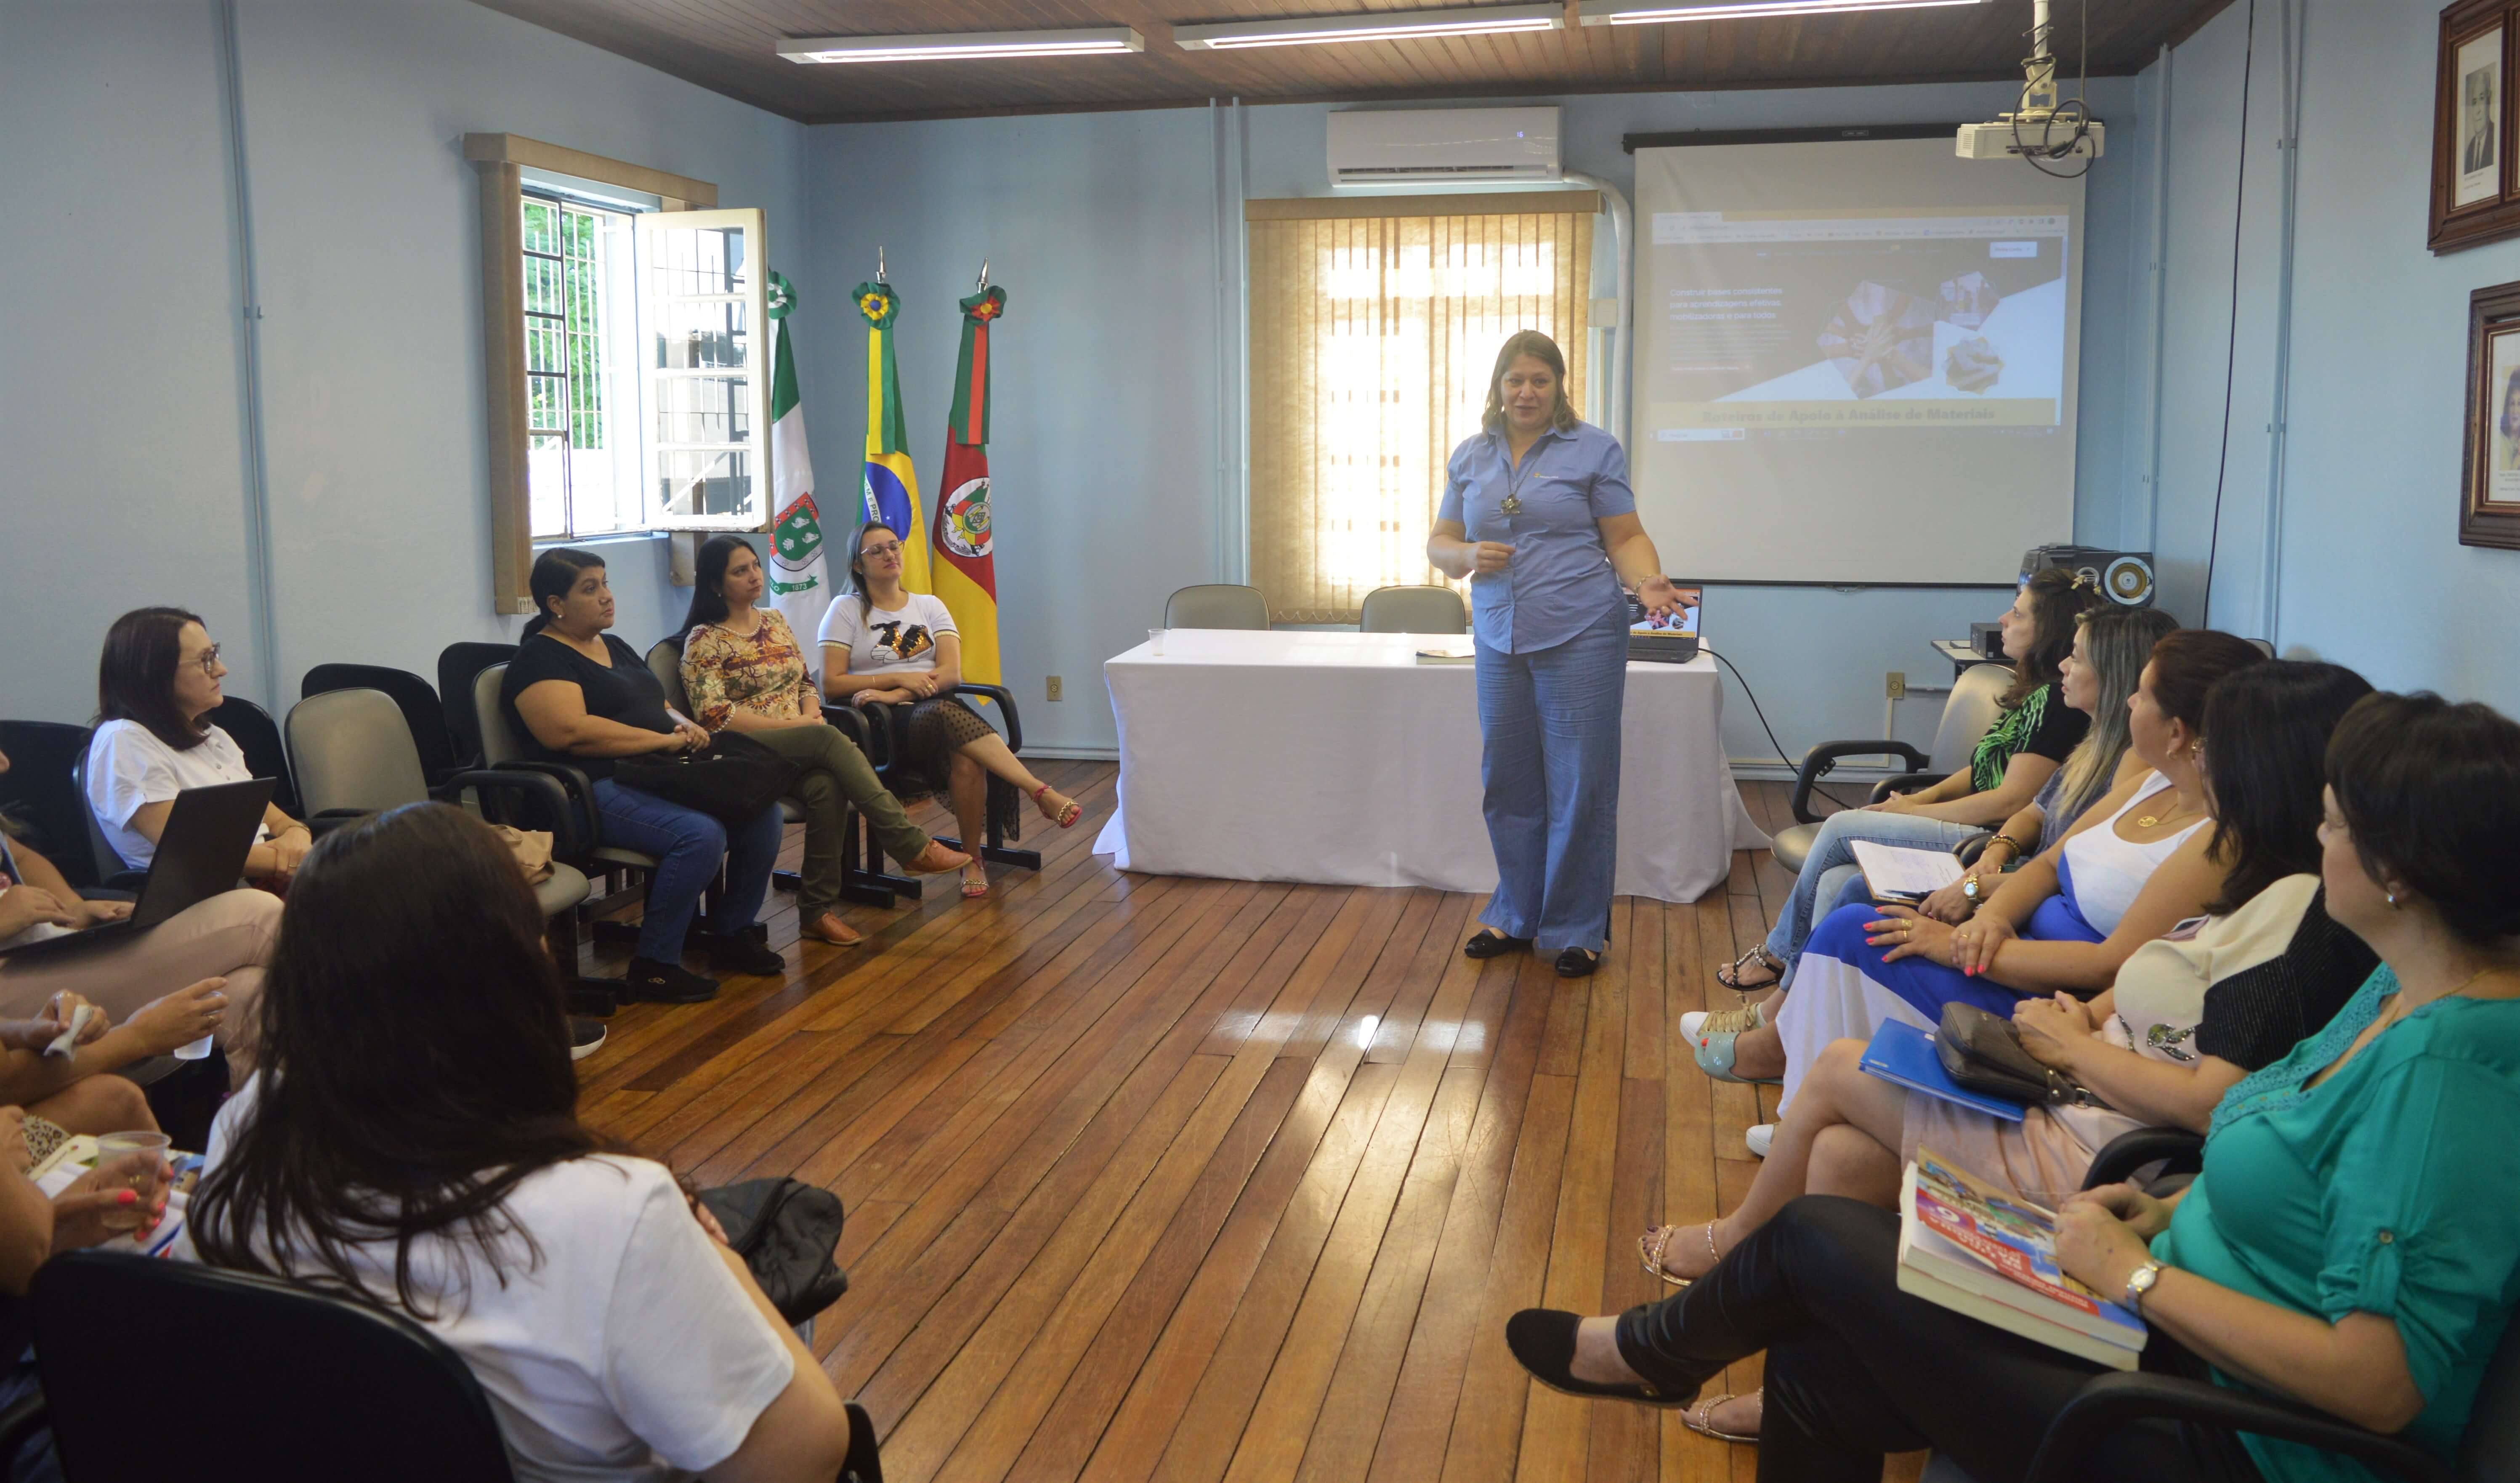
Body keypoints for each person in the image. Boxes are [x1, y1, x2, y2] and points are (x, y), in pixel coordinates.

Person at [1509, 690, 2520, 1483]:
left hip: (2224, 1431)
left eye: (2335, 824)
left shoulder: (2450, 1072)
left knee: (1819, 1236)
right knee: (1825, 1339)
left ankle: (1653, 1350)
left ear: (2397, 869)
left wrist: (2133, 1272)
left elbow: (2380, 1385)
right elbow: (2296, 1164)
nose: (2317, 838)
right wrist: (2158, 1207)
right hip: (2163, 1323)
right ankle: (1658, 1353)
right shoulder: (2396, 988)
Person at [1635, 664, 2380, 1446]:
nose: (2206, 764)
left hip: (2101, 1140)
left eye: (2220, 750)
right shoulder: (2256, 879)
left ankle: (1731, 1258)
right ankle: (1803, 1390)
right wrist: (2075, 1018)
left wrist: (2071, 1041)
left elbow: (2210, 1095)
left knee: (1833, 1069)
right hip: (2077, 1082)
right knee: (1842, 1152)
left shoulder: (2291, 911)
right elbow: (2118, 956)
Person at [182, 803, 875, 1483]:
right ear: (510, 969)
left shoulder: (249, 1128)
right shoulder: (609, 1211)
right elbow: (802, 1453)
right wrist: (715, 1255)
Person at [1715, 630, 2268, 1118]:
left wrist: (1960, 938)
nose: (2129, 701)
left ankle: (1788, 1049)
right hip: (2005, 920)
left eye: (2142, 695)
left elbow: (2109, 961)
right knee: (1857, 903)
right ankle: (1800, 1059)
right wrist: (1986, 902)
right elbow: (2049, 856)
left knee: (1854, 908)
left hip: (2041, 982)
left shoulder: (2211, 838)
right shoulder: (2144, 778)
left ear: (2176, 731)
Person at [1690, 606, 2180, 1065]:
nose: (2064, 664)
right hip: (2004, 888)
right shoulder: (2095, 746)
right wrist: (1994, 853)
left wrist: (1972, 887)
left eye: (2078, 656)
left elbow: (2052, 869)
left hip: (2019, 928)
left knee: (1848, 860)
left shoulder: (2133, 774)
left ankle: (1783, 1022)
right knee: (1847, 884)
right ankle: (1795, 1027)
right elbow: (2032, 814)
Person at [1711, 568, 2111, 997]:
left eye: (2017, 614)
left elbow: (2009, 802)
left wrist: (1916, 813)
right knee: (1836, 883)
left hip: (1984, 843)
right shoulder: (2039, 697)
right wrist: (1928, 794)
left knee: (1841, 827)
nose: (2003, 619)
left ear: (2047, 632)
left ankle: (1779, 965)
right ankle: (1803, 998)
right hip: (1991, 847)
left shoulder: (2058, 705)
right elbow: (1986, 773)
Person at [1425, 330, 1685, 979]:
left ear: (1559, 386)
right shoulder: (1470, 455)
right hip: (1497, 632)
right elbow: (1441, 541)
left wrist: (1647, 581)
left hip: (1582, 630)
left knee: (1580, 784)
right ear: (1498, 386)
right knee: (1507, 781)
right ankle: (1516, 913)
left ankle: (1575, 928)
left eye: (1540, 380)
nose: (1527, 391)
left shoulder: (1594, 448)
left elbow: (1625, 535)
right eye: (1515, 379)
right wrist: (1462, 558)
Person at [501, 548, 782, 1003]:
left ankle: (731, 934)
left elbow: (655, 702)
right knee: (700, 834)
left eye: (605, 583)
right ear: (556, 603)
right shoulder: (542, 658)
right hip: (586, 790)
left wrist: (682, 723)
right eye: (590, 589)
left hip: (654, 772)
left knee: (760, 810)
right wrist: (660, 741)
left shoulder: (612, 645)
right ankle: (655, 965)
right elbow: (568, 732)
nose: (607, 597)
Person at [675, 536, 971, 946]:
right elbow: (716, 717)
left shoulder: (774, 620)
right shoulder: (703, 640)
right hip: (738, 749)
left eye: (755, 566)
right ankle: (908, 843)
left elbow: (804, 680)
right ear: (714, 584)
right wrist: (799, 727)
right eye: (739, 571)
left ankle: (815, 910)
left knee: (826, 785)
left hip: (796, 740)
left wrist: (810, 712)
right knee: (828, 740)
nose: (755, 576)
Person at [820, 522, 1082, 901]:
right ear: (858, 566)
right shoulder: (846, 610)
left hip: (927, 709)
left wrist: (899, 694)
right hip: (876, 726)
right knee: (947, 714)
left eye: (893, 546)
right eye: (875, 551)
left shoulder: (929, 605)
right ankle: (1038, 791)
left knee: (965, 756)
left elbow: (952, 673)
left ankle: (972, 858)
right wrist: (897, 686)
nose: (889, 555)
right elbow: (832, 683)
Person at [2, 742, 266, 1080]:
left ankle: (269, 1130)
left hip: (43, 955)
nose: (5, 763)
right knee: (254, 915)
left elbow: (21, 857)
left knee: (252, 992)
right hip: (14, 989)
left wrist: (73, 907)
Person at [84, 606, 311, 882]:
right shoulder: (124, 741)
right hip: (202, 896)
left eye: (214, 654)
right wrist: (309, 864)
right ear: (154, 673)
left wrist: (299, 835)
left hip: (259, 878)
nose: (221, 670)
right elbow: (200, 854)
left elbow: (276, 821)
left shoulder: (213, 736)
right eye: (205, 660)